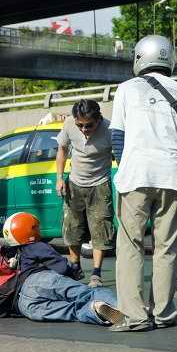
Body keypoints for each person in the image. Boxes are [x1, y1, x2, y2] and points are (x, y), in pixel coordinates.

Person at [109, 35, 177, 332]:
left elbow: (118, 138)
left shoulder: (125, 89)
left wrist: (126, 169)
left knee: (131, 246)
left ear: (139, 58)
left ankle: (135, 316)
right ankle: (162, 314)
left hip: (136, 176)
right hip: (173, 176)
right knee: (167, 249)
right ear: (168, 59)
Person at [2, 212, 123, 326]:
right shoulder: (36, 246)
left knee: (73, 310)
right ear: (29, 230)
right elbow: (62, 268)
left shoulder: (10, 253)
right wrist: (73, 272)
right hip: (40, 281)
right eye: (35, 227)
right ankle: (126, 310)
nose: (38, 230)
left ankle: (95, 309)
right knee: (90, 293)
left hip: (25, 304)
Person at [55, 99, 115, 288]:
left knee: (101, 229)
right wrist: (59, 178)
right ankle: (75, 266)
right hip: (74, 184)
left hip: (100, 184)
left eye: (89, 125)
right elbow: (62, 149)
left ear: (98, 119)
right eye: (80, 125)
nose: (84, 129)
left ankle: (96, 273)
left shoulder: (110, 130)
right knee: (72, 229)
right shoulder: (69, 125)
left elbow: (121, 156)